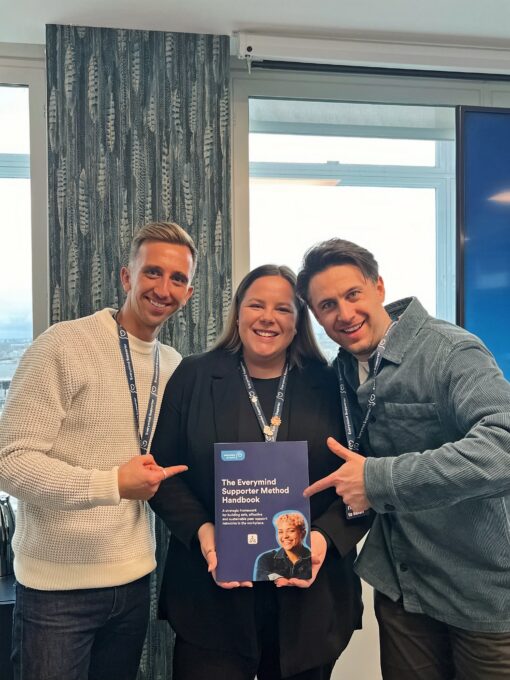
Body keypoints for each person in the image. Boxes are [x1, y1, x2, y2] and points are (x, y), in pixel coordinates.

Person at [296, 237, 510, 680]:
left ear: (378, 287)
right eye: (327, 305)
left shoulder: (450, 352)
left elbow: (503, 445)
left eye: (353, 294)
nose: (344, 314)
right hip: (403, 590)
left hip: (482, 593)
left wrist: (379, 480)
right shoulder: (342, 369)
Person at [149, 264, 370, 680]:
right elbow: (163, 474)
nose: (268, 317)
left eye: (283, 309)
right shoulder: (193, 377)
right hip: (211, 600)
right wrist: (203, 531)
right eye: (256, 305)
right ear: (238, 313)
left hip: (309, 604)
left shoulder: (332, 384)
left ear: (298, 321)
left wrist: (324, 539)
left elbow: (364, 481)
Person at [0, 221, 196, 680]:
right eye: (152, 272)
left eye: (178, 279)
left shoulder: (174, 365)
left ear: (188, 293)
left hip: (132, 580)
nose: (163, 288)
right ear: (127, 277)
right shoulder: (63, 345)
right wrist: (111, 484)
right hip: (56, 588)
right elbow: (9, 461)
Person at [254, 511, 312, 582]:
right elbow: (261, 579)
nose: (285, 536)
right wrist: (278, 579)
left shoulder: (312, 559)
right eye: (280, 532)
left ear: (303, 533)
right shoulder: (266, 559)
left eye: (291, 531)